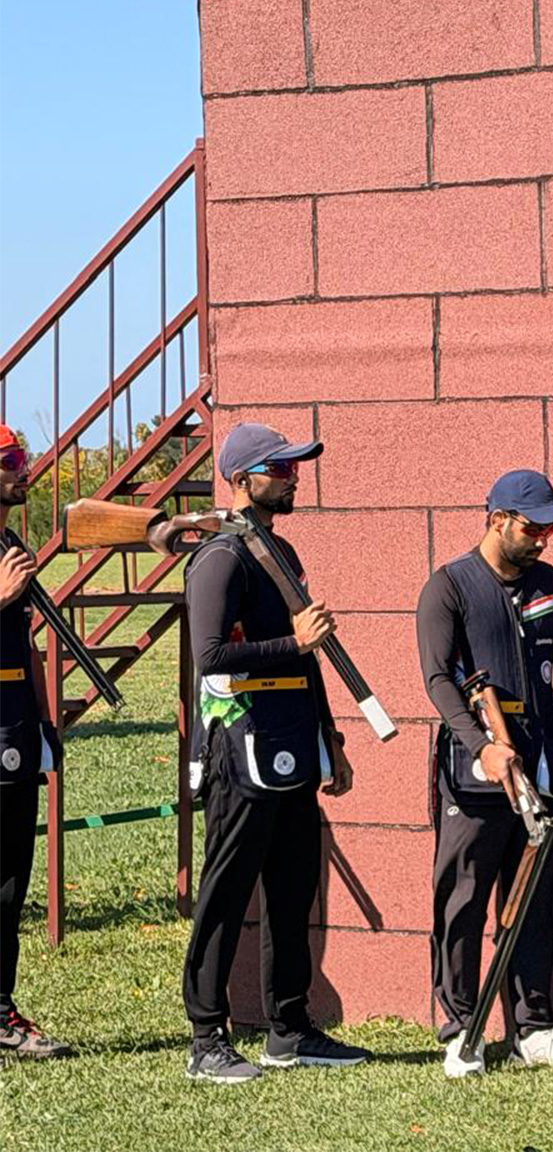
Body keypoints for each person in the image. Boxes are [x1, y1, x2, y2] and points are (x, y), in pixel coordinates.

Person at [181, 423, 364, 1082]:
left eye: (292, 467)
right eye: (279, 469)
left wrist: (329, 737)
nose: (292, 477)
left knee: (292, 891)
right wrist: (294, 642)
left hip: (292, 741)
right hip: (238, 748)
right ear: (241, 480)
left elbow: (308, 659)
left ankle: (289, 1029)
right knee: (225, 894)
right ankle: (206, 1038)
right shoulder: (221, 556)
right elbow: (210, 657)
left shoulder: (278, 550)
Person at [416, 469, 553, 1078]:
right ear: (497, 520)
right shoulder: (448, 586)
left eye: (550, 529)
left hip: (542, 765)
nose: (543, 539)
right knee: (462, 902)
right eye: (533, 527)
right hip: (476, 773)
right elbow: (438, 679)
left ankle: (533, 1028)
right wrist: (481, 746)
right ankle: (460, 1029)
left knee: (534, 903)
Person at [0, 425, 71, 1059]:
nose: (23, 469)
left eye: (22, 457)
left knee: (9, 881)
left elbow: (27, 647)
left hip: (16, 726)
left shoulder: (11, 545)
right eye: (10, 460)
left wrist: (46, 720)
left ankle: (2, 1009)